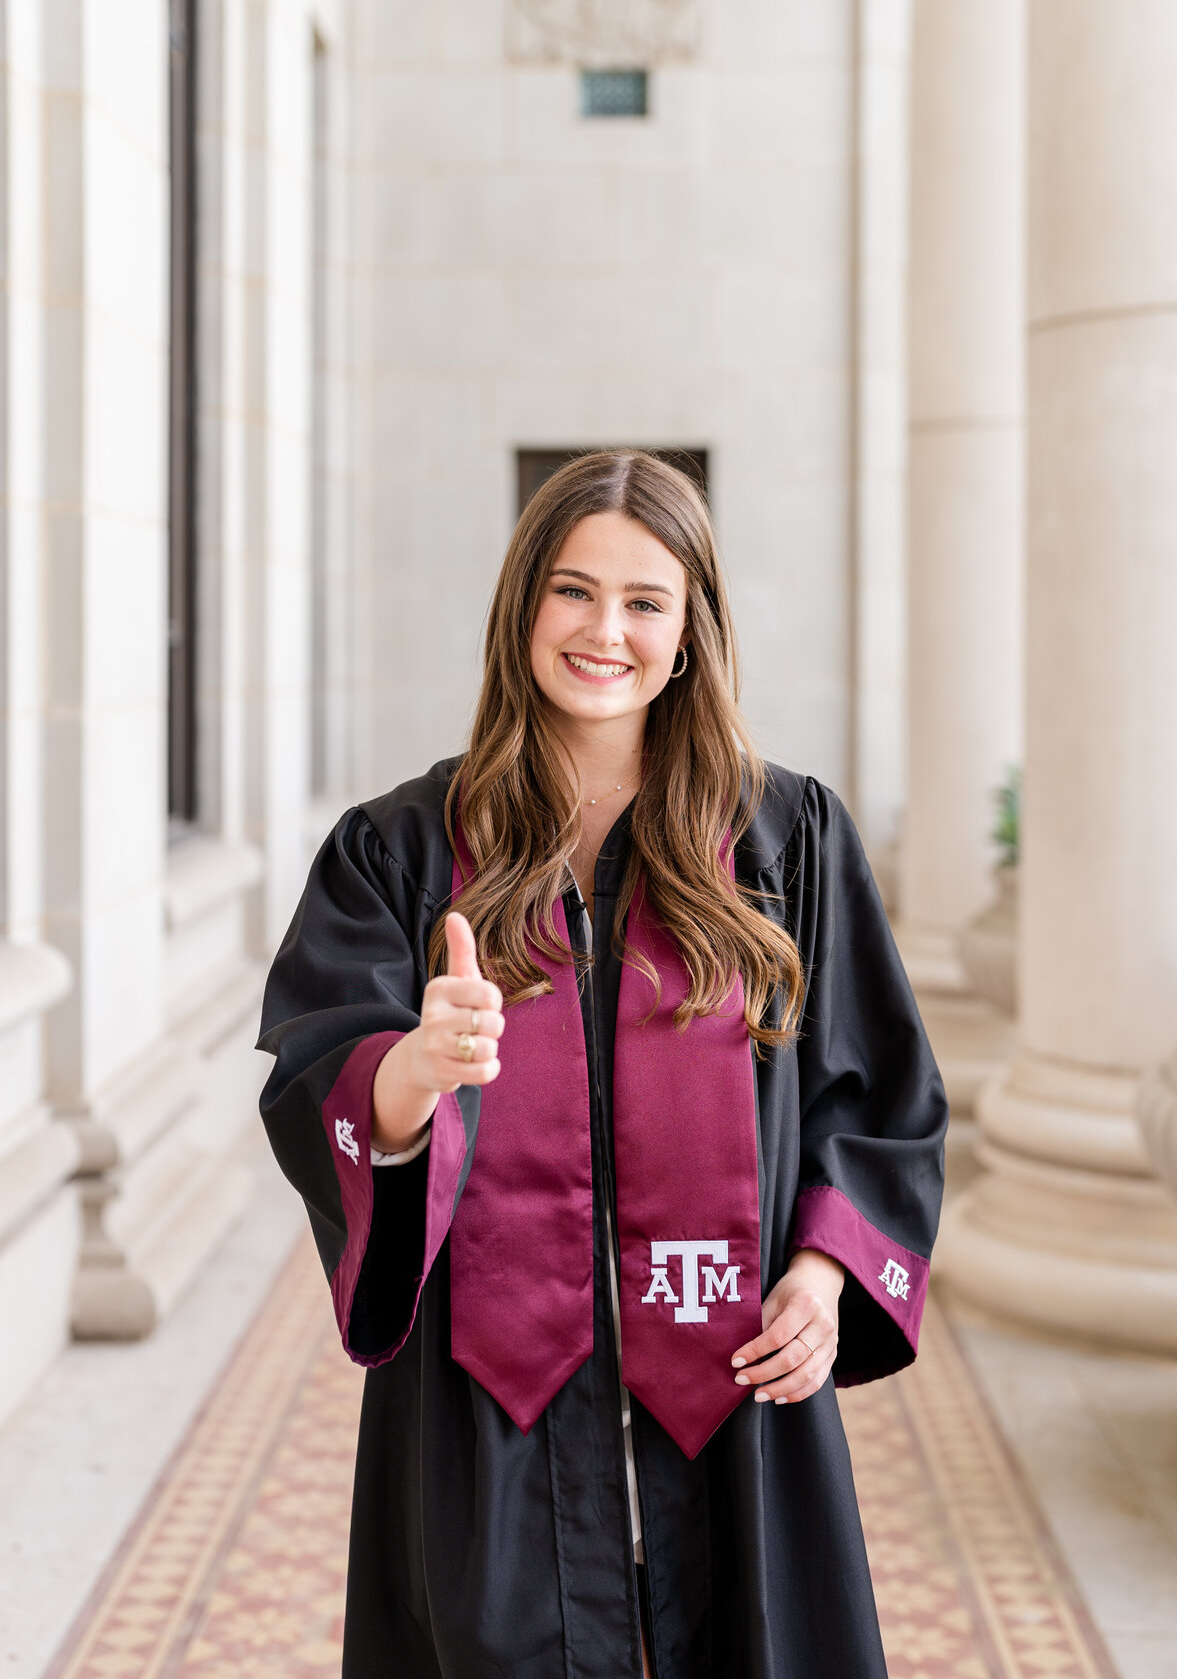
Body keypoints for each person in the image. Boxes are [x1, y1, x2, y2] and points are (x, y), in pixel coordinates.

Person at [258, 450, 947, 1679]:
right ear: (523, 607)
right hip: (487, 1400)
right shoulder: (403, 852)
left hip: (730, 1388)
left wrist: (830, 1273)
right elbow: (324, 1077)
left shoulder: (788, 840)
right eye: (573, 592)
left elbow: (876, 1092)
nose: (605, 632)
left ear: (690, 634)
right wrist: (415, 1069)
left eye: (645, 602)